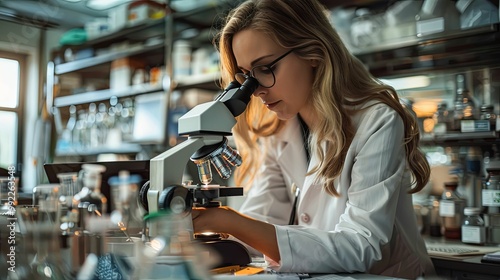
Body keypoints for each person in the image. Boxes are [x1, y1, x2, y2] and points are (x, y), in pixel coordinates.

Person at [191, 0, 435, 278]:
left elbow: (362, 246)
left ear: (313, 52)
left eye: (265, 69)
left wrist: (228, 220)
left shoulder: (376, 121)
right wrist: (205, 232)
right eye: (246, 76)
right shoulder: (278, 128)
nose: (255, 90)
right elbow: (262, 220)